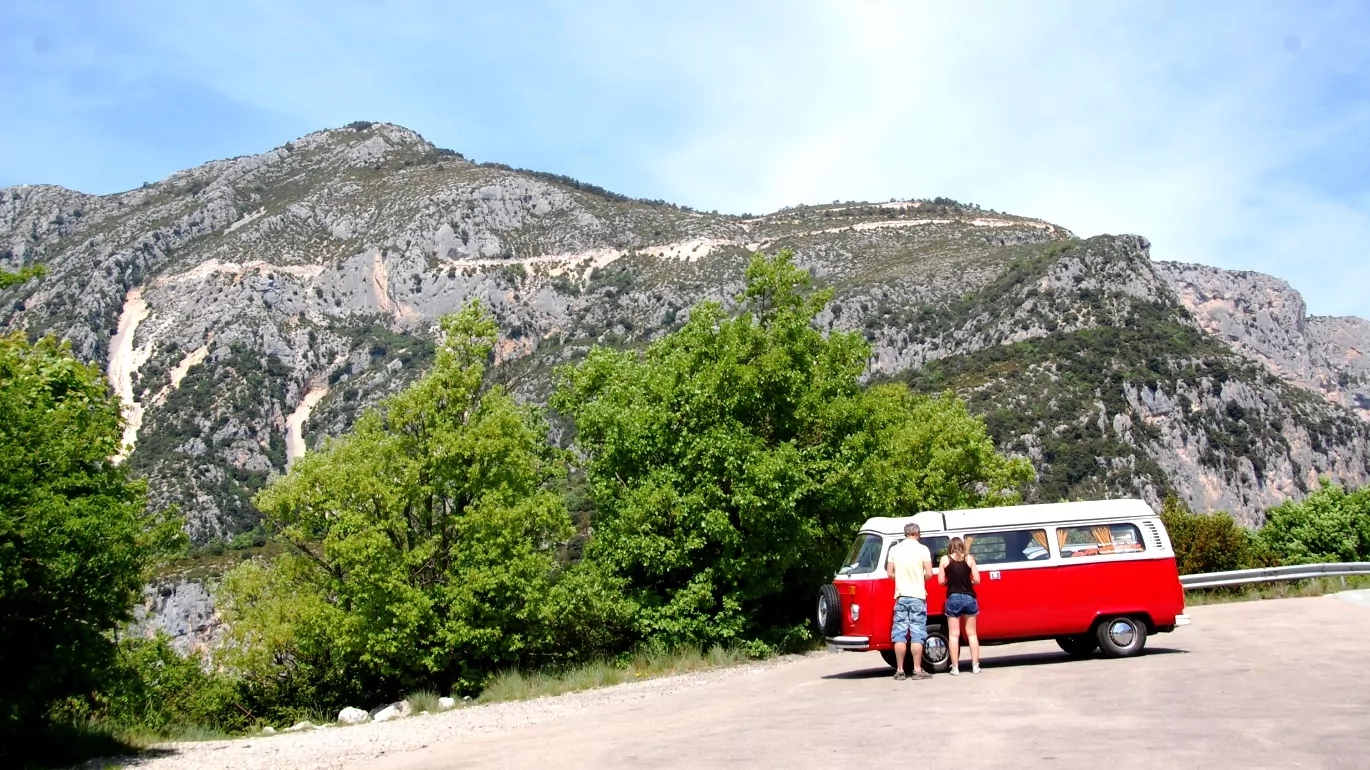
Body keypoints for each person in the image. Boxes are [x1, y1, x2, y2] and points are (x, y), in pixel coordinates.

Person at [886, 522, 934, 680]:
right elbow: (929, 573)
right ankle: (917, 669)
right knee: (917, 633)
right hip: (918, 596)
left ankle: (900, 670)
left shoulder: (895, 549)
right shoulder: (923, 549)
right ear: (918, 533)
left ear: (905, 533)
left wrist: (899, 578)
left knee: (899, 633)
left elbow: (889, 573)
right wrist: (921, 578)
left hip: (901, 596)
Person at [938, 536, 981, 675]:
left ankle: (955, 667)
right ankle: (975, 666)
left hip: (953, 597)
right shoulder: (970, 559)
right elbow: (977, 580)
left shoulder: (945, 560)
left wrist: (949, 583)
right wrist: (969, 584)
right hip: (969, 597)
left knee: (954, 635)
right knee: (972, 634)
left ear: (950, 546)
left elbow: (940, 581)